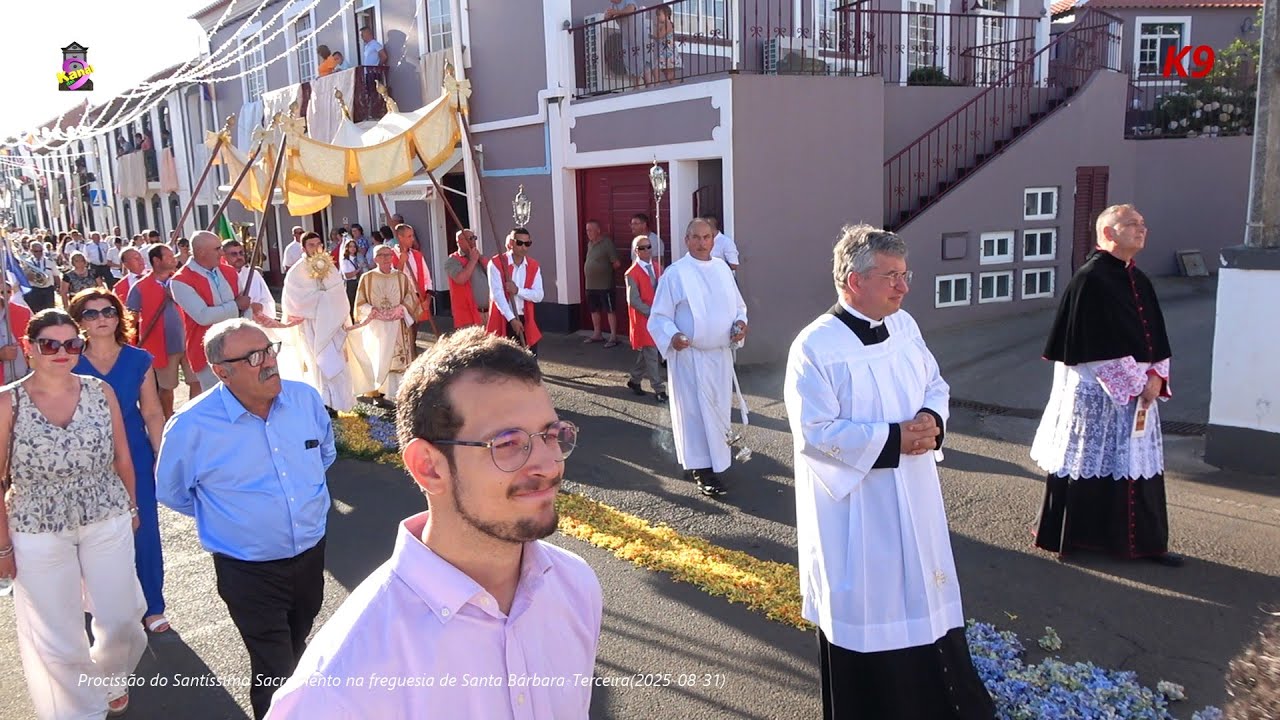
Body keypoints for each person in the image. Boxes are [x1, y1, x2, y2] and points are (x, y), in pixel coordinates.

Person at [265, 328, 601, 719]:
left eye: (550, 435)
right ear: (428, 467)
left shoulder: (576, 586)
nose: (548, 464)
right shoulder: (343, 681)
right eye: (508, 443)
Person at [783, 224, 995, 720]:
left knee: (924, 593)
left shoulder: (904, 326)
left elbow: (934, 383)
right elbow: (815, 432)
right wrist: (895, 438)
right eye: (892, 276)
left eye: (905, 275)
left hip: (915, 492)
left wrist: (932, 420)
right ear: (854, 281)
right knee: (873, 606)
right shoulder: (814, 347)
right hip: (859, 510)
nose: (903, 287)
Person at [157, 319, 336, 720]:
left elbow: (325, 453)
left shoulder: (305, 399)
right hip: (248, 569)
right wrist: (235, 520)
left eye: (270, 349)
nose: (269, 362)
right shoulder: (191, 427)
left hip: (310, 553)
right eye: (255, 357)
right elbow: (172, 491)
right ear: (222, 372)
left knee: (296, 641)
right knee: (274, 665)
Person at [0, 309, 147, 719]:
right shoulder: (7, 401)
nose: (62, 352)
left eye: (71, 344)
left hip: (106, 511)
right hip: (36, 524)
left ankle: (110, 676)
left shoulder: (100, 391)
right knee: (58, 634)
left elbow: (123, 457)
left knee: (122, 618)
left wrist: (132, 506)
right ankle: (80, 710)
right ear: (29, 348)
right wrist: (2, 547)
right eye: (51, 344)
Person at [1030, 204, 1181, 566]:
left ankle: (1142, 544)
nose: (1141, 229)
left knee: (1134, 464)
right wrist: (1137, 383)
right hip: (1099, 395)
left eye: (1143, 224)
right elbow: (1091, 346)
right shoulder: (1089, 278)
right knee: (1091, 462)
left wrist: (1157, 375)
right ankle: (1084, 541)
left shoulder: (1139, 279)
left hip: (1141, 392)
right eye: (1131, 224)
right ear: (1108, 233)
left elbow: (1156, 335)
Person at [70, 289, 170, 635]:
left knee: (142, 529)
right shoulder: (69, 360)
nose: (101, 319)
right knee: (91, 534)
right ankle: (98, 608)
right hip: (84, 460)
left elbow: (153, 413)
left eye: (108, 311)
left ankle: (153, 606)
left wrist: (161, 457)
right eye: (91, 313)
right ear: (79, 321)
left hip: (136, 453)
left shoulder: (139, 359)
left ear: (119, 316)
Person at [648, 218, 748, 497]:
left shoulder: (722, 270)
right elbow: (659, 316)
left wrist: (741, 324)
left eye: (707, 238)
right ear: (686, 240)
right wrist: (673, 336)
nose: (702, 243)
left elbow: (739, 306)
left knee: (717, 410)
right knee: (694, 412)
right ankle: (701, 469)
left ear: (713, 240)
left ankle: (717, 460)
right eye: (696, 238)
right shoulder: (675, 274)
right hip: (690, 356)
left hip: (719, 356)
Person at [280, 231, 359, 412]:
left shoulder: (330, 267)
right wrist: (323, 300)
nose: (316, 248)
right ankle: (324, 402)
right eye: (311, 245)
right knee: (319, 364)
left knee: (338, 362)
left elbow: (339, 292)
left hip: (333, 324)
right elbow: (295, 300)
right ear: (303, 248)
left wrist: (328, 302)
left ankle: (341, 401)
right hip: (312, 326)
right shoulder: (296, 271)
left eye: (319, 244)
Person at [170, 231, 250, 391]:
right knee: (219, 401)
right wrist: (236, 306)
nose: (222, 253)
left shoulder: (229, 271)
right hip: (208, 352)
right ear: (201, 252)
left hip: (239, 347)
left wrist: (247, 330)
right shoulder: (180, 281)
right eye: (217, 249)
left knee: (245, 393)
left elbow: (245, 305)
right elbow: (203, 316)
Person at [127, 244, 197, 417]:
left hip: (189, 341)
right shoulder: (140, 287)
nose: (174, 259)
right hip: (161, 346)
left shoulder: (182, 281)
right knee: (167, 387)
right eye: (168, 256)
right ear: (156, 261)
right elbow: (131, 319)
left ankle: (194, 415)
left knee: (196, 381)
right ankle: (168, 418)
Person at [351, 245, 420, 403]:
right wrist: (372, 310)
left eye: (388, 255)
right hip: (377, 326)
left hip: (396, 325)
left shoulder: (401, 277)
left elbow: (411, 298)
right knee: (378, 357)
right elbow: (359, 303)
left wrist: (401, 308)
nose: (386, 258)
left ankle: (399, 392)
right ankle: (379, 392)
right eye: (382, 255)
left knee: (398, 359)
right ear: (375, 259)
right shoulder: (367, 278)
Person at [486, 228, 545, 356]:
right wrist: (511, 319)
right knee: (504, 362)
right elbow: (497, 295)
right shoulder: (496, 263)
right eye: (520, 243)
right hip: (504, 318)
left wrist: (517, 290)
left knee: (529, 360)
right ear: (511, 243)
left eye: (527, 244)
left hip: (527, 319)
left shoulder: (533, 266)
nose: (524, 247)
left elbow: (538, 295)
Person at [624, 234, 667, 401]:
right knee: (651, 351)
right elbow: (633, 300)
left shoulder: (658, 268)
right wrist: (651, 312)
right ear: (636, 251)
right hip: (644, 318)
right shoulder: (631, 273)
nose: (647, 250)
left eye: (649, 246)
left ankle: (635, 379)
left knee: (648, 352)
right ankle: (659, 389)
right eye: (642, 248)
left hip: (658, 316)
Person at [391, 224, 432, 353]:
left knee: (413, 333)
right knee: (403, 334)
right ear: (400, 237)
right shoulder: (390, 255)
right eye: (409, 236)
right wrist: (401, 262)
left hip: (417, 298)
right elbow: (392, 278)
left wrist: (428, 299)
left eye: (412, 235)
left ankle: (413, 359)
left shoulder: (417, 255)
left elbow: (427, 278)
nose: (412, 239)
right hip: (400, 300)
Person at [582, 219, 622, 347]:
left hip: (605, 284)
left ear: (598, 230)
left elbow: (616, 263)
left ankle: (613, 336)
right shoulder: (590, 244)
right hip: (590, 284)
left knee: (609, 310)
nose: (588, 232)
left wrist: (604, 270)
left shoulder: (606, 243)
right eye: (587, 230)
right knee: (594, 310)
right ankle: (597, 333)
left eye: (591, 230)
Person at [223, 238, 277, 322]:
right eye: (234, 254)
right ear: (224, 257)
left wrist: (260, 307)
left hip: (256, 324)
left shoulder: (253, 274)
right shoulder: (220, 277)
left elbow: (268, 302)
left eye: (241, 253)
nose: (239, 257)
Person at [443, 228, 487, 330]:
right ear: (459, 241)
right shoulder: (452, 261)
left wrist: (480, 259)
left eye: (474, 238)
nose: (473, 241)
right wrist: (472, 261)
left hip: (487, 313)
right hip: (468, 315)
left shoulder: (481, 258)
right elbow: (461, 279)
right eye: (470, 238)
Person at [0, 281, 31, 384]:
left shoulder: (23, 312)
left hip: (24, 378)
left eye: (8, 292)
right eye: (0, 292)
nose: (4, 295)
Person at [20, 241, 56, 313]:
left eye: (41, 251)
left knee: (50, 312)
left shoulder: (50, 261)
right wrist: (28, 276)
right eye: (36, 251)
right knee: (36, 312)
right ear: (31, 251)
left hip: (48, 289)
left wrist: (57, 287)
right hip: (34, 290)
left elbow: (56, 275)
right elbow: (23, 277)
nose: (39, 253)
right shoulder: (27, 262)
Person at [339, 239, 361, 318]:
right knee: (351, 303)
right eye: (350, 246)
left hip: (358, 282)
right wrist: (357, 270)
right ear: (347, 248)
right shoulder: (345, 260)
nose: (353, 248)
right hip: (350, 284)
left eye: (354, 246)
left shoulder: (358, 258)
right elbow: (347, 275)